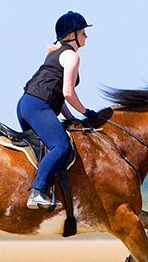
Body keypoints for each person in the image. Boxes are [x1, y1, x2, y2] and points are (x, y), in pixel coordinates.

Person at [17, 11, 112, 210]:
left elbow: (58, 97)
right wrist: (86, 113)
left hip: (26, 104)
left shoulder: (55, 55)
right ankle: (37, 191)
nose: (86, 36)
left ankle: (48, 188)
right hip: (38, 106)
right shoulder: (71, 56)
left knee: (44, 148)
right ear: (72, 35)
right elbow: (68, 92)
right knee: (61, 147)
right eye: (83, 32)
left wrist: (71, 118)